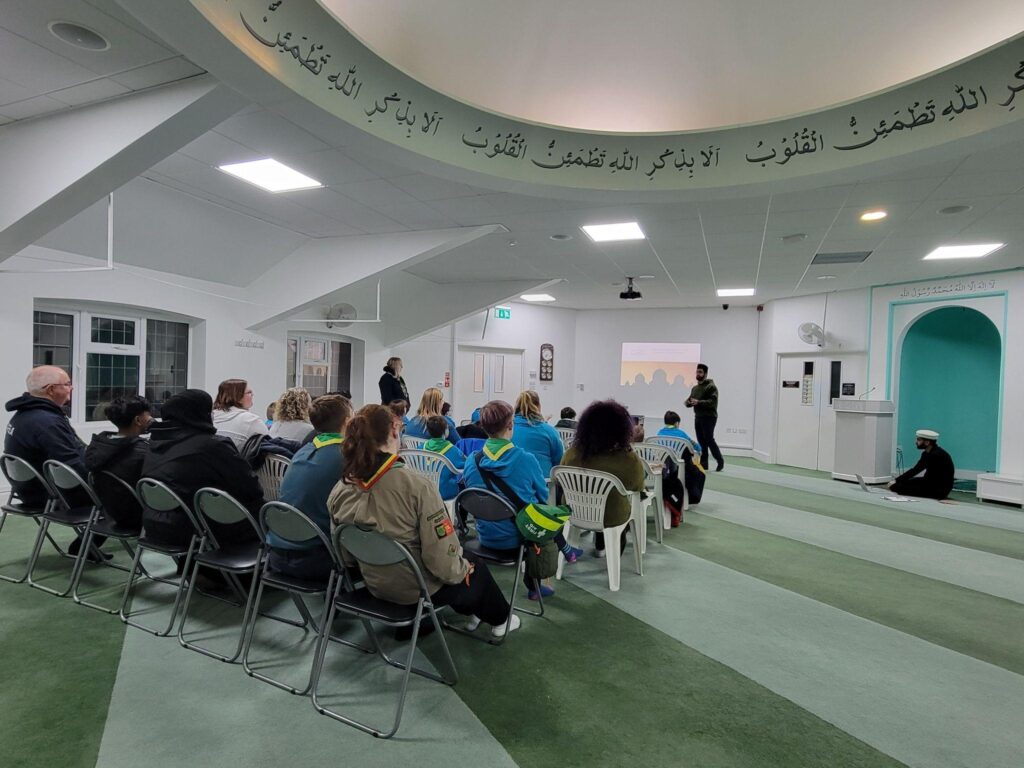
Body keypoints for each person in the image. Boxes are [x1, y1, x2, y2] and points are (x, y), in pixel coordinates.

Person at [328, 404, 518, 637]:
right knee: (473, 568)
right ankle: (502, 620)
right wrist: (462, 569)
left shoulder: (340, 488)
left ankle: (449, 613)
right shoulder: (416, 486)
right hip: (417, 588)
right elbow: (441, 560)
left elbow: (345, 555)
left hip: (374, 583)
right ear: (395, 433)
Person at [463, 400, 581, 596]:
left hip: (483, 535)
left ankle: (566, 552)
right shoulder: (526, 459)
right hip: (517, 539)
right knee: (544, 517)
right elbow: (542, 498)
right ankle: (535, 585)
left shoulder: (471, 461)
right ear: (511, 426)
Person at [141, 389, 264, 549]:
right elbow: (252, 488)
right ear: (199, 413)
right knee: (265, 509)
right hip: (199, 529)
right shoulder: (212, 446)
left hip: (155, 524)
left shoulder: (155, 443)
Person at [4, 365, 99, 557]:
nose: (71, 388)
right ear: (51, 389)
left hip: (26, 488)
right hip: (49, 495)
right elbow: (72, 464)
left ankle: (89, 546)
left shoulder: (24, 414)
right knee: (121, 496)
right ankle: (86, 547)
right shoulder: (47, 422)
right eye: (67, 384)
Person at [266, 394, 352, 581]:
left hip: (277, 552)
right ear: (347, 422)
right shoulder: (347, 457)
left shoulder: (303, 451)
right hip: (317, 557)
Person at [560, 400, 645, 557]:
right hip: (611, 515)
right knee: (619, 502)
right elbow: (637, 486)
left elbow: (560, 479)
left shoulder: (572, 453)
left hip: (574, 512)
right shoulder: (628, 459)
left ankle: (598, 545)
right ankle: (612, 554)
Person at [84, 395, 153, 529]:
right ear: (138, 420)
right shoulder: (142, 452)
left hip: (111, 511)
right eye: (148, 416)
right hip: (139, 516)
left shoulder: (100, 445)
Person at [889, 429, 955, 500]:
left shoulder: (936, 455)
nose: (916, 442)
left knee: (896, 487)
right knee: (901, 483)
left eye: (919, 440)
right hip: (930, 482)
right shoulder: (927, 453)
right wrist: (898, 480)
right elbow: (915, 470)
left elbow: (915, 470)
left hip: (938, 489)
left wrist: (896, 481)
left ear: (927, 442)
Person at [511, 391, 563, 478]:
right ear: (538, 406)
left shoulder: (507, 429)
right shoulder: (549, 431)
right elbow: (558, 461)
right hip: (542, 485)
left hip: (511, 484)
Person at [686, 363, 724, 471]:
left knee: (709, 439)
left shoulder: (711, 387)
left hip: (709, 417)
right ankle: (704, 463)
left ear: (705, 374)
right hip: (698, 417)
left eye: (700, 372)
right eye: (697, 372)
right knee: (701, 441)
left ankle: (720, 460)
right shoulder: (694, 388)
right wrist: (688, 402)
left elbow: (712, 402)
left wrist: (698, 402)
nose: (698, 374)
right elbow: (689, 401)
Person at [212, 379, 268, 450]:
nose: (253, 395)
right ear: (238, 397)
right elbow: (269, 445)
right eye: (249, 392)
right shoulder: (251, 420)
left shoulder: (210, 417)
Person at [423, 415, 466, 501]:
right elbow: (466, 466)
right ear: (446, 431)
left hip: (424, 490)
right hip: (445, 492)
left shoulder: (421, 447)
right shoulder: (453, 450)